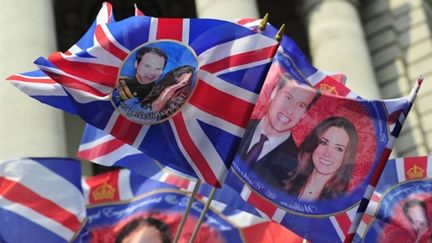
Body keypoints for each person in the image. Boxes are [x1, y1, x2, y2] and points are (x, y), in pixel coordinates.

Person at [236, 76, 320, 190]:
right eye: (288, 97)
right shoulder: (235, 124)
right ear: (274, 92)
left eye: (301, 105)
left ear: (304, 114)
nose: (290, 110)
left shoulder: (298, 167)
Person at [283, 116, 358, 201]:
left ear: (347, 156)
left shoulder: (340, 204)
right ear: (314, 143)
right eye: (324, 143)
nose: (327, 153)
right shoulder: (283, 179)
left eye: (338, 148)